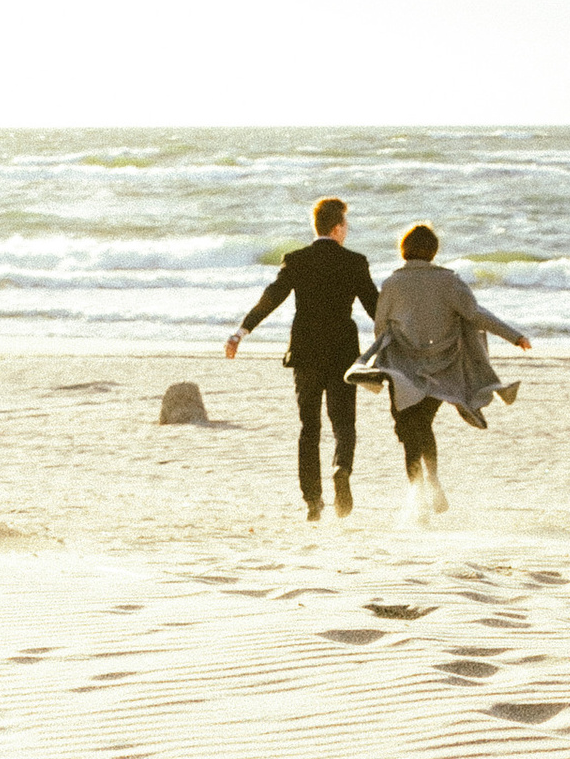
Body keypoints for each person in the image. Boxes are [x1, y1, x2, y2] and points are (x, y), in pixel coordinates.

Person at [352, 223, 532, 515]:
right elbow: (476, 315)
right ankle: (431, 480)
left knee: (408, 427)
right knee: (422, 424)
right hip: (440, 369)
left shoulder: (391, 284)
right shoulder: (450, 281)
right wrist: (514, 336)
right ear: (433, 252)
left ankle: (418, 489)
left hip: (402, 370)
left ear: (404, 251)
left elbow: (380, 329)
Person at [225, 197, 381, 519]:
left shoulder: (296, 260)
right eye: (346, 226)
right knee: (343, 423)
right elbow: (375, 309)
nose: (346, 231)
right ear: (337, 228)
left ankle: (313, 502)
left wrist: (242, 331)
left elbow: (271, 298)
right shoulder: (355, 262)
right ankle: (341, 469)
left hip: (306, 353)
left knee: (309, 427)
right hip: (342, 352)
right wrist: (401, 339)